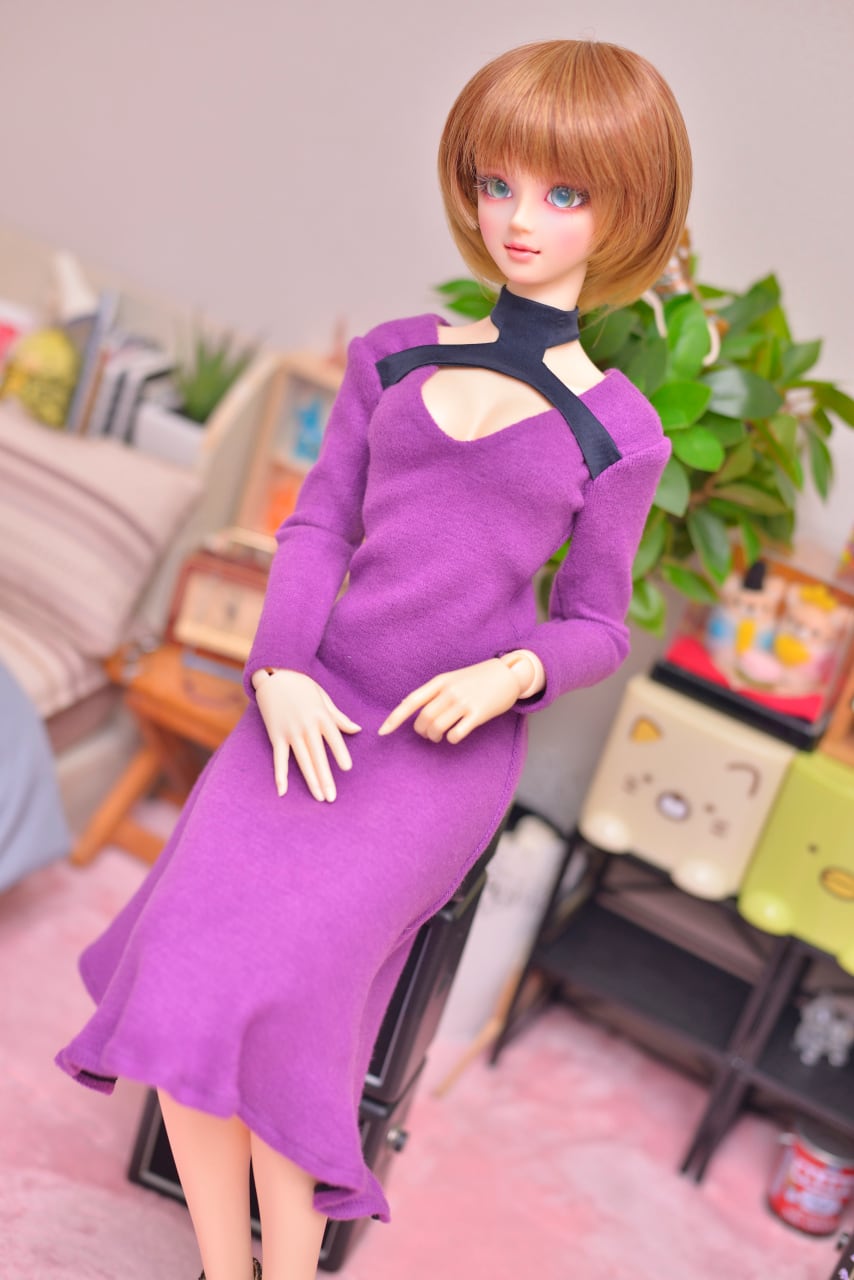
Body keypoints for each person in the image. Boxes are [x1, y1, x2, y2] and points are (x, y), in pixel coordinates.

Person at [56, 38, 691, 1280]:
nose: (519, 217)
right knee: (182, 974)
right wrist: (277, 669)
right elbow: (316, 528)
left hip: (432, 754)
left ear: (625, 207)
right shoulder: (394, 354)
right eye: (498, 182)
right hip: (306, 703)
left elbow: (597, 624)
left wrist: (509, 674)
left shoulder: (620, 432)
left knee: (297, 1011)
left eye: (562, 192)